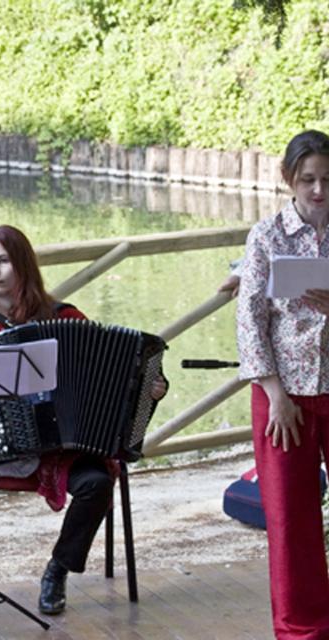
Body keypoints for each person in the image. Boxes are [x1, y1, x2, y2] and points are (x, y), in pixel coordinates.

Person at [0, 225, 167, 629]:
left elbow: (116, 378)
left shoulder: (64, 318)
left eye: (2, 260)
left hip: (60, 446)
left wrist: (148, 390)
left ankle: (58, 570)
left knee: (97, 484)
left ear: (22, 265)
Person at [236, 129, 329, 639]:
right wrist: (277, 397)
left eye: (328, 180)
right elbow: (249, 322)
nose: (318, 191)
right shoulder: (266, 236)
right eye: (308, 180)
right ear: (289, 180)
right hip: (282, 397)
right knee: (292, 524)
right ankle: (302, 631)